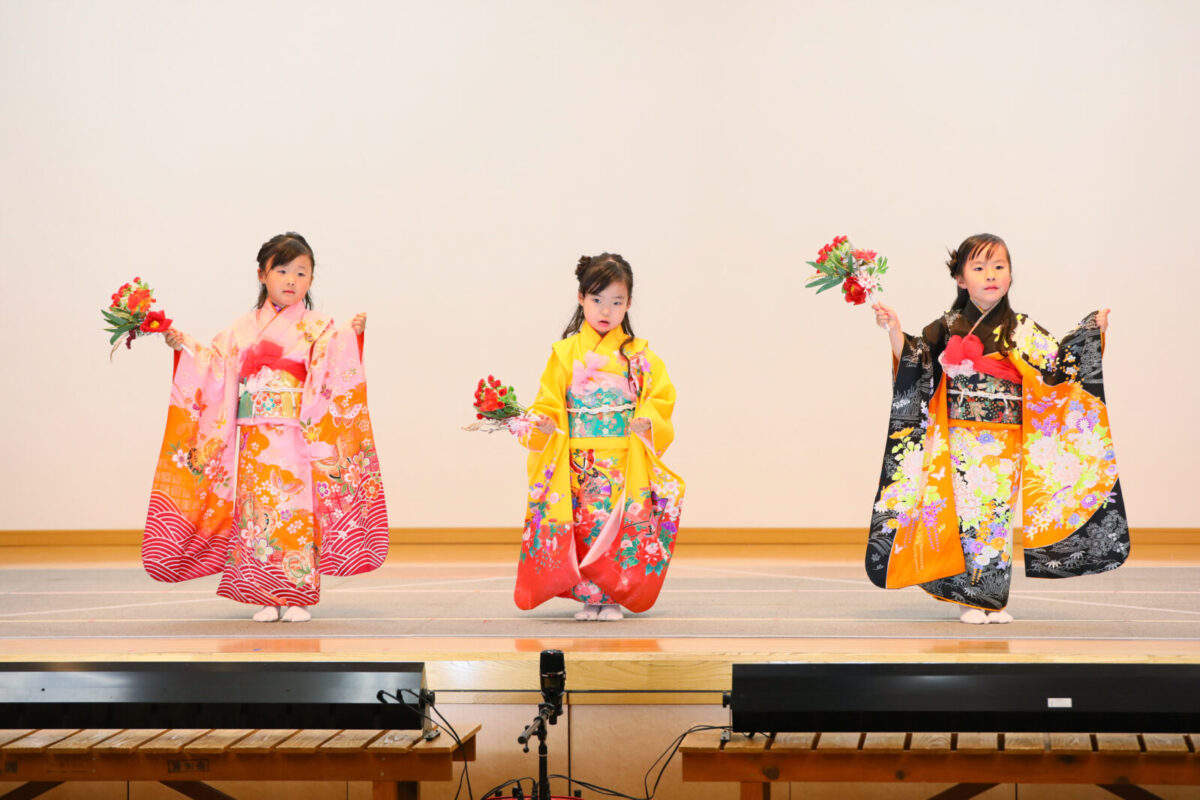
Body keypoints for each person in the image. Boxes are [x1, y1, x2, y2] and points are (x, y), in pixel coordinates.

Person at [867, 234, 1129, 623]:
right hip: (960, 438)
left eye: (999, 267)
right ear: (961, 279)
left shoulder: (1021, 328)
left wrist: (1092, 332)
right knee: (966, 515)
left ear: (1010, 275)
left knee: (997, 519)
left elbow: (1060, 368)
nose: (990, 275)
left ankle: (989, 598)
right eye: (979, 267)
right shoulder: (947, 326)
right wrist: (894, 329)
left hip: (1007, 440)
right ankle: (973, 599)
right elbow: (917, 361)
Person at [144, 232, 387, 622]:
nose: (292, 280)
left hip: (297, 435)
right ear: (262, 274)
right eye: (282, 270)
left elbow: (333, 369)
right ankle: (265, 596)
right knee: (257, 513)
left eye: (302, 273)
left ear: (311, 280)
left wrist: (349, 334)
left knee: (295, 510)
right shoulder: (241, 329)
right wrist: (183, 345)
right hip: (256, 437)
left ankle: (297, 595)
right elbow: (214, 365)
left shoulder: (320, 327)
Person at [514, 253, 684, 620]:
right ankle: (591, 598)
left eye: (616, 302)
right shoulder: (564, 353)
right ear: (581, 298)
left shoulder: (640, 356)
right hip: (577, 460)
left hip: (621, 460)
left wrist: (647, 420)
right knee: (584, 527)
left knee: (614, 527)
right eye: (597, 299)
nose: (606, 310)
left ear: (629, 303)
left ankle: (613, 597)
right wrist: (545, 423)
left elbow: (660, 398)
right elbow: (548, 401)